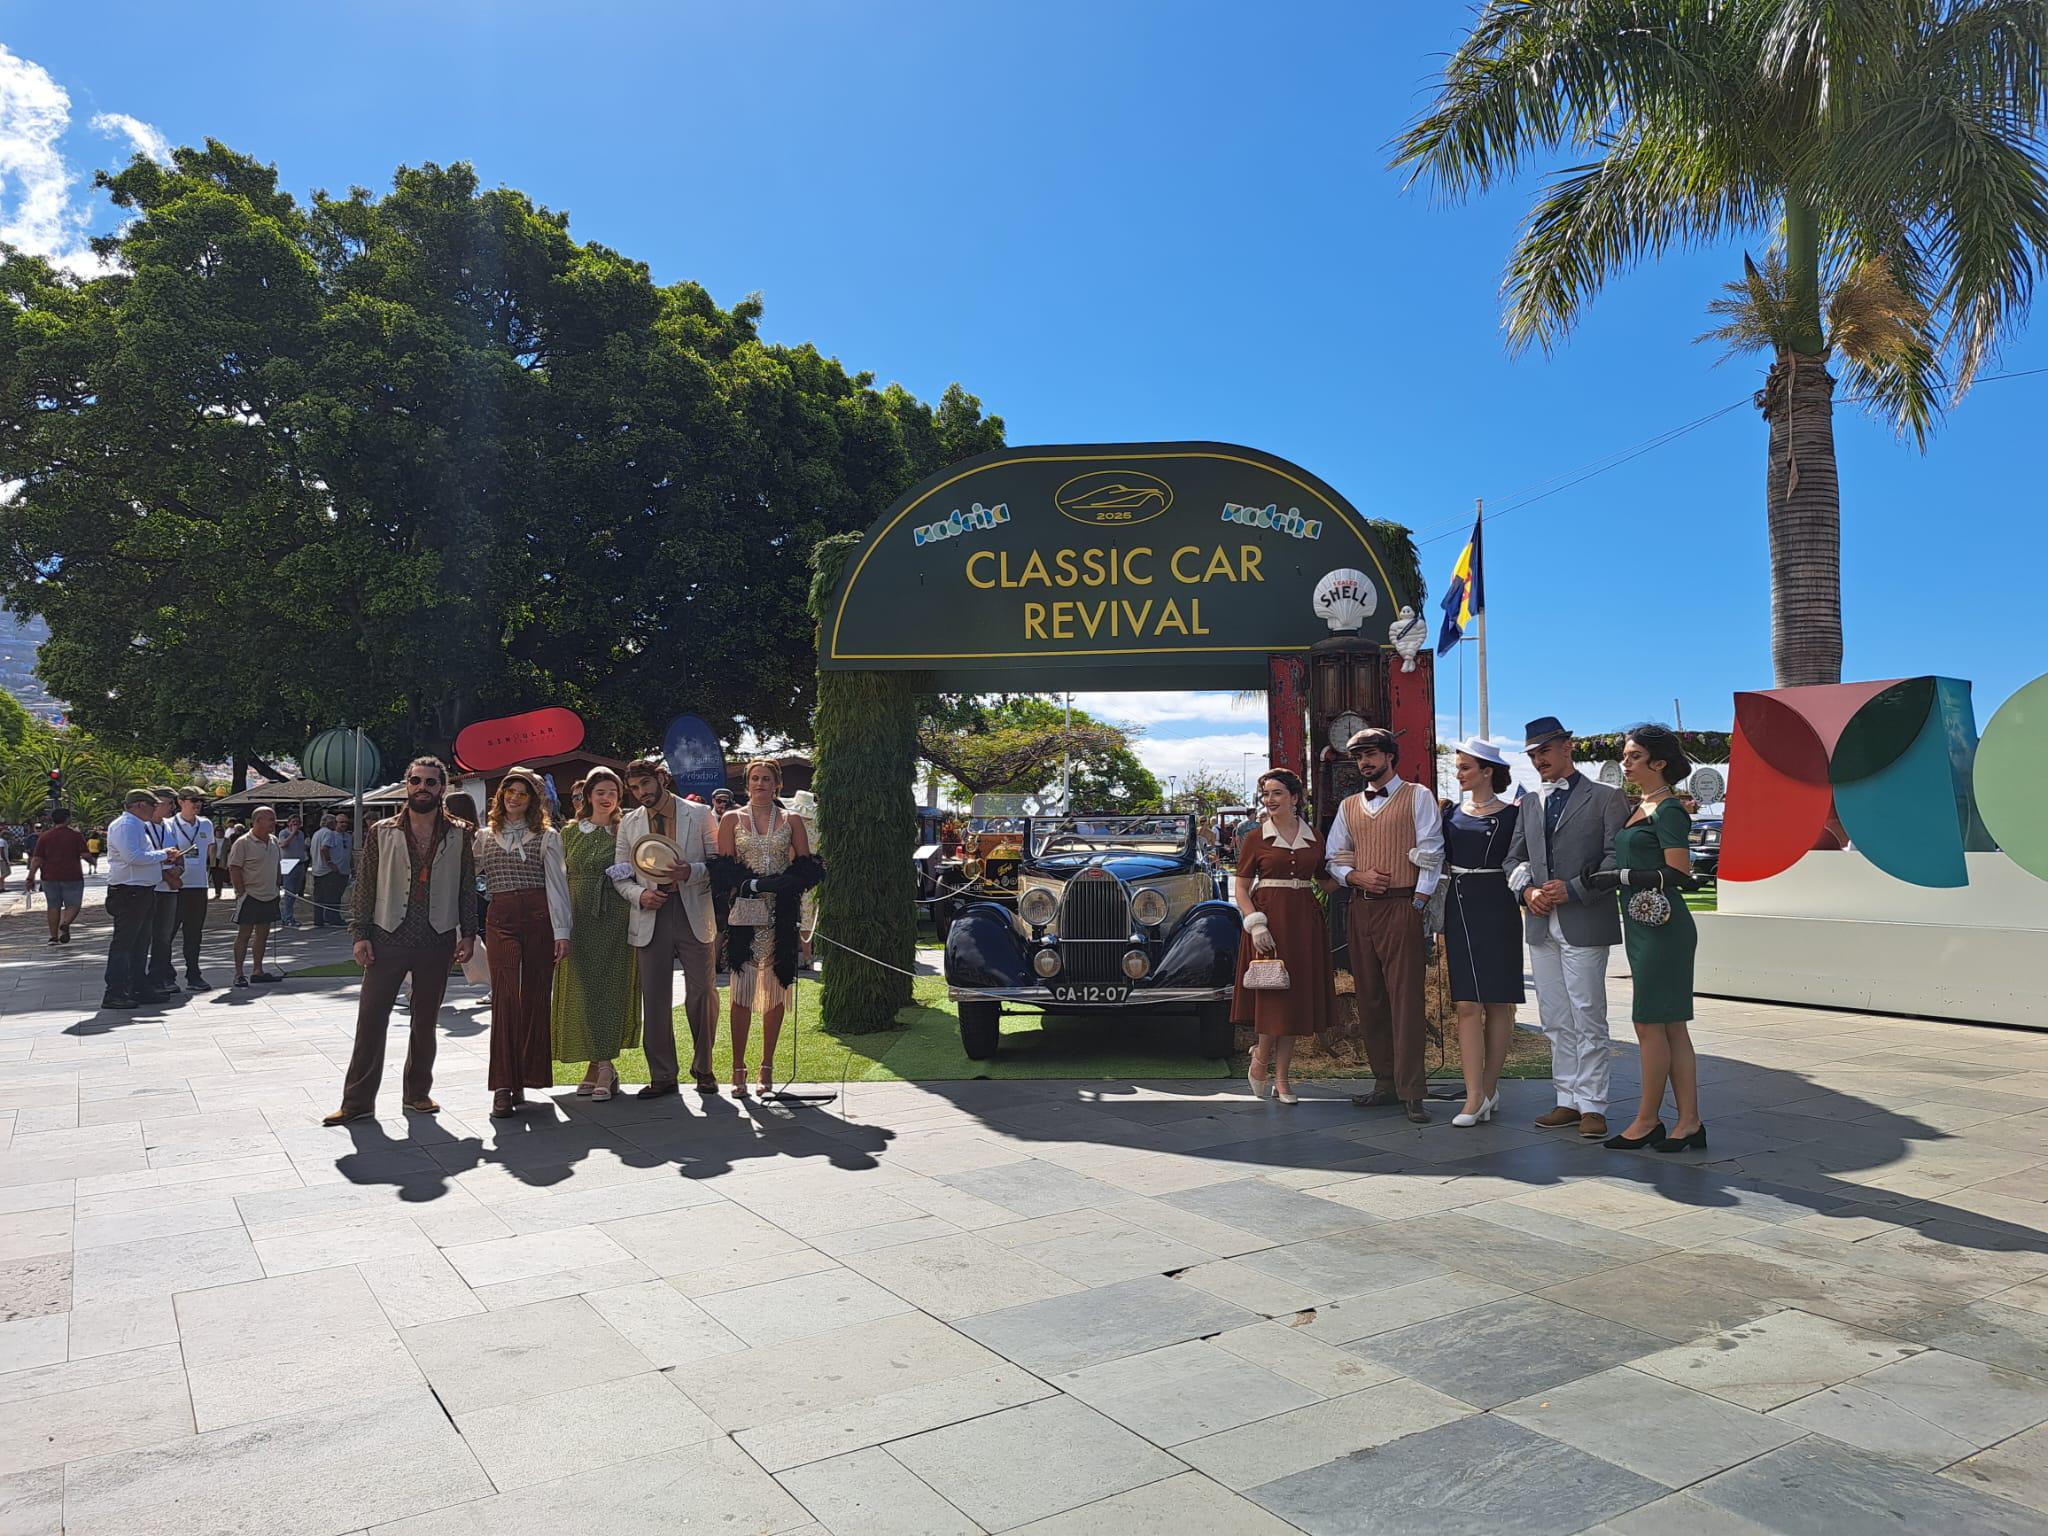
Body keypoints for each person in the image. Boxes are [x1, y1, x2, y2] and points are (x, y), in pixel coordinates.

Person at [323, 758, 477, 1125]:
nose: (422, 787)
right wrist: (360, 934)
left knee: (425, 1022)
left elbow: (467, 887)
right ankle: (357, 1102)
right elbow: (366, 885)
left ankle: (417, 1093)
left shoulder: (460, 833)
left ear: (442, 788)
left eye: (431, 782)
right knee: (371, 1020)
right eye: (416, 781)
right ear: (407, 784)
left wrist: (469, 933)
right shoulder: (382, 831)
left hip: (437, 938)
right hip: (387, 935)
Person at [1505, 716, 1629, 1141]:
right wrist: (1527, 892)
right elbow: (1513, 859)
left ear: (1567, 748)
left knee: (1588, 1013)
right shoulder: (1529, 803)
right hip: (1540, 924)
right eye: (1532, 754)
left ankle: (1593, 1104)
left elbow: (1616, 859)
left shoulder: (1607, 798)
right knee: (1555, 1017)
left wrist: (1573, 889)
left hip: (1585, 920)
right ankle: (1568, 1099)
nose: (1538, 760)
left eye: (1544, 751)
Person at [1586, 726, 1706, 1152]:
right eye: (1625, 755)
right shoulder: (1643, 806)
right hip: (1643, 923)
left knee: (1650, 1023)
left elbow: (1680, 873)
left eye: (1634, 756)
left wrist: (1618, 877)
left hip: (1664, 926)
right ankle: (1688, 1121)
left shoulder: (1669, 810)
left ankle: (1648, 1119)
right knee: (1670, 1025)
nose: (1625, 762)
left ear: (1659, 763)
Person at [1328, 728, 1444, 1124]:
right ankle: (1385, 1083)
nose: (1364, 762)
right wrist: (1354, 876)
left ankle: (1413, 1091)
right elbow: (1333, 857)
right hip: (1361, 908)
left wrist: (1418, 902)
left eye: (1371, 754)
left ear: (1390, 756)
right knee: (1370, 998)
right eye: (1359, 756)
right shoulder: (1348, 806)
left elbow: (1432, 852)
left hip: (1402, 904)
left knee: (1406, 999)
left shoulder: (1418, 795)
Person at [612, 758, 719, 1098]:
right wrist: (640, 895)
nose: (640, 792)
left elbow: (720, 864)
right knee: (655, 997)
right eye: (633, 788)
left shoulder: (699, 814)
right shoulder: (629, 823)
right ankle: (662, 1075)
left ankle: (704, 1068)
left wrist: (692, 871)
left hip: (692, 911)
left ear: (661, 779)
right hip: (650, 914)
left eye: (644, 784)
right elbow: (620, 873)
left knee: (703, 992)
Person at [1231, 768, 1332, 1105]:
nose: (1269, 800)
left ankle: (1283, 1079)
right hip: (1269, 924)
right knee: (1274, 997)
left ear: (1294, 798)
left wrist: (1352, 867)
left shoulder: (1314, 837)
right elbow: (1241, 888)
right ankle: (1261, 1058)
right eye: (1266, 794)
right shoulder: (1255, 838)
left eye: (1277, 793)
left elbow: (1327, 880)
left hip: (1304, 924)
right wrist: (1256, 924)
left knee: (1295, 1001)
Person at [715, 757, 815, 1095]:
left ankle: (766, 1065)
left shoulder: (791, 819)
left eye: (766, 779)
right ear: (747, 784)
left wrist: (786, 883)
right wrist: (751, 885)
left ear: (777, 785)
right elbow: (724, 870)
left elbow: (807, 866)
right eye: (755, 778)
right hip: (746, 912)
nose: (760, 784)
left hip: (780, 914)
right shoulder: (731, 818)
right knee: (741, 991)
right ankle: (737, 1066)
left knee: (776, 989)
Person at [1439, 739, 1525, 1127]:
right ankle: (1473, 1095)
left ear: (1487, 771)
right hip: (1460, 907)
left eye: (1465, 767)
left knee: (1499, 1001)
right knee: (1466, 1004)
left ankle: (1489, 1089)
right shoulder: (1450, 814)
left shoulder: (1514, 815)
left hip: (1499, 905)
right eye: (1458, 767)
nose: (1458, 774)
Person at [476, 766, 571, 1118]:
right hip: (500, 918)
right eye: (509, 792)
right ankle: (502, 1085)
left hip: (538, 918)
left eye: (522, 793)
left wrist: (562, 932)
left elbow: (557, 886)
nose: (514, 798)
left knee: (535, 996)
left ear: (533, 800)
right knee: (504, 998)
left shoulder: (547, 836)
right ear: (500, 796)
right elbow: (463, 877)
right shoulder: (484, 836)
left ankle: (525, 1077)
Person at [553, 766, 640, 1100]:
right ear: (588, 795)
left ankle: (604, 1065)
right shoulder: (569, 833)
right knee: (583, 992)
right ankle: (597, 1064)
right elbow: (557, 879)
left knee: (609, 990)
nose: (607, 798)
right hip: (578, 918)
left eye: (613, 793)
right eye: (601, 792)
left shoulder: (625, 830)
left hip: (615, 917)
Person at [101, 789, 188, 1009]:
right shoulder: (126, 825)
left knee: (140, 943)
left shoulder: (137, 825)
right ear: (140, 805)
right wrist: (164, 854)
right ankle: (115, 991)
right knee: (124, 944)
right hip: (129, 891)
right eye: (152, 805)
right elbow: (133, 857)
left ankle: (137, 986)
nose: (155, 809)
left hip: (142, 891)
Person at [163, 787, 217, 991]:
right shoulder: (169, 824)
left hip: (199, 885)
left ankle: (193, 974)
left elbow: (208, 850)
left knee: (194, 933)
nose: (198, 804)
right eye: (194, 800)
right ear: (181, 801)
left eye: (201, 800)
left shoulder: (206, 824)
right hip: (176, 886)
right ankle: (166, 975)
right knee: (167, 933)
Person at [227, 806, 284, 987]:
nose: (274, 823)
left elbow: (277, 864)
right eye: (270, 819)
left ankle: (257, 971)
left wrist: (278, 884)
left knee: (263, 934)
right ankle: (239, 974)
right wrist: (240, 892)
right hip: (250, 895)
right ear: (258, 821)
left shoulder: (274, 840)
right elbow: (234, 867)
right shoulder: (242, 842)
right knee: (244, 934)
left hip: (270, 895)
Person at [25, 807, 88, 945]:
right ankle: (65, 923)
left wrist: (31, 876)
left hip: (49, 876)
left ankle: (53, 937)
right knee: (74, 905)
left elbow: (37, 858)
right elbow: (85, 854)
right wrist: (93, 861)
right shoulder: (75, 836)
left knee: (53, 906)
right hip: (72, 875)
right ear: (68, 819)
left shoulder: (44, 836)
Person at [145, 787, 185, 995]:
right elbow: (144, 858)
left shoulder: (169, 826)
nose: (171, 807)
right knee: (146, 935)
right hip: (151, 888)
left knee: (164, 935)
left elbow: (178, 853)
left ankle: (161, 975)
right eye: (168, 803)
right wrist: (169, 878)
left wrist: (179, 870)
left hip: (170, 890)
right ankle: (143, 979)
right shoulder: (143, 827)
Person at [309, 813, 344, 926]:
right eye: (335, 822)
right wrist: (330, 862)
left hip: (317, 869)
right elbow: (324, 848)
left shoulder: (316, 833)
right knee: (332, 896)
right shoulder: (329, 833)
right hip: (326, 870)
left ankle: (318, 920)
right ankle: (332, 918)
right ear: (330, 823)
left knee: (319, 897)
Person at [275, 814, 308, 928]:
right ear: (288, 823)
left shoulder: (301, 834)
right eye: (293, 821)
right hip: (288, 864)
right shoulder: (283, 833)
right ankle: (287, 918)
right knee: (289, 892)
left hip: (300, 864)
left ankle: (288, 915)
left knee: (295, 892)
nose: (295, 824)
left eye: (297, 822)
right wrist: (293, 833)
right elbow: (283, 845)